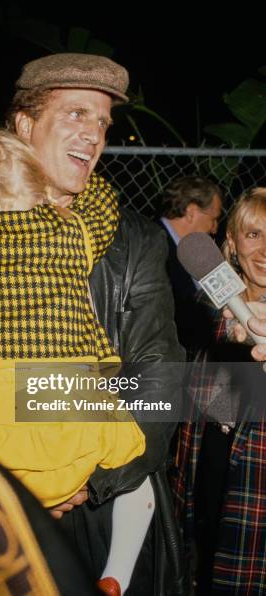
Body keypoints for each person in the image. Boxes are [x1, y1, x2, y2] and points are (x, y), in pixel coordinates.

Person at [0, 53, 185, 594]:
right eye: (77, 114)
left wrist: (84, 473)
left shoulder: (133, 238)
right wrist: (5, 475)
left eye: (102, 122)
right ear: (24, 125)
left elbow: (158, 378)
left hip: (106, 502)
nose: (95, 134)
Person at [172, 186, 266, 593]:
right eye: (253, 234)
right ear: (231, 243)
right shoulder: (203, 309)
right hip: (205, 474)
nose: (265, 250)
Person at [157, 176, 222, 355]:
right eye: (214, 219)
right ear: (192, 211)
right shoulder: (155, 246)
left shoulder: (187, 252)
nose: (215, 228)